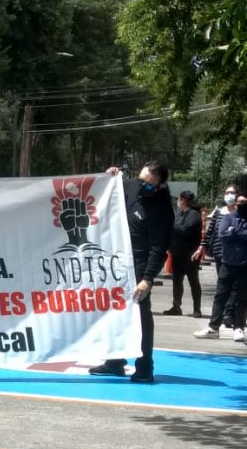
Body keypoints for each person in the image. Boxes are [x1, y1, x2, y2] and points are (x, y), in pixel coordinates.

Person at [89, 162, 173, 383]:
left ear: (160, 186)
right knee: (113, 312)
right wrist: (110, 176)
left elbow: (159, 247)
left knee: (141, 315)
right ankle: (114, 362)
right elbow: (109, 190)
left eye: (149, 185)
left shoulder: (162, 209)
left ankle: (145, 367)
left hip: (139, 265)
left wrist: (148, 279)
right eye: (141, 180)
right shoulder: (131, 186)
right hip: (116, 260)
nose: (143, 186)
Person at [193, 193, 247, 342]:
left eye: (245, 202)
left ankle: (239, 327)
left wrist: (233, 231)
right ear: (235, 204)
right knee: (220, 296)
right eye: (240, 203)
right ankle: (213, 328)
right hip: (227, 264)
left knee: (242, 297)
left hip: (244, 266)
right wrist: (239, 234)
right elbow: (223, 235)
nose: (242, 205)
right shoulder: (227, 218)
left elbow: (233, 234)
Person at [161, 190, 202, 318]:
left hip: (190, 254)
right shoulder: (179, 214)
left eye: (179, 199)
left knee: (193, 281)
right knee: (177, 281)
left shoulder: (194, 214)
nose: (177, 202)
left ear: (183, 200)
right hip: (177, 253)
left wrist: (172, 225)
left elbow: (186, 230)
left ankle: (197, 309)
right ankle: (176, 306)